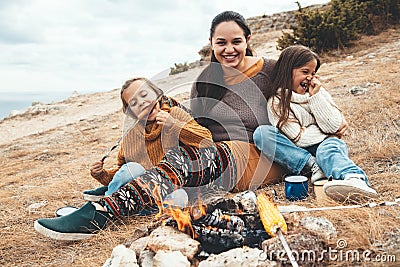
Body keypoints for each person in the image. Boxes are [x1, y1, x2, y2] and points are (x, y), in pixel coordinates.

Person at [34, 10, 288, 241]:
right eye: (221, 43)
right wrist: (162, 106)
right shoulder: (206, 79)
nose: (229, 49)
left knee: (182, 160)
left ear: (248, 40)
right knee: (173, 180)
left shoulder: (270, 70)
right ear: (211, 43)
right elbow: (197, 123)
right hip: (215, 161)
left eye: (236, 41)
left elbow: (305, 99)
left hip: (253, 156)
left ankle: (99, 212)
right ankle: (116, 197)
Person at [253, 45, 378, 202]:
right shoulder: (277, 103)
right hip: (299, 155)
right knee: (262, 134)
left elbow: (334, 125)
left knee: (328, 149)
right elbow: (299, 138)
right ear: (287, 71)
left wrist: (315, 99)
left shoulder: (318, 92)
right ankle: (316, 167)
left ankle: (355, 179)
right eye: (305, 72)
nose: (310, 78)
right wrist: (326, 131)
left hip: (326, 145)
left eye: (313, 73)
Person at [82, 77, 213, 201]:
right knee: (132, 168)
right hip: (144, 188)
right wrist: (101, 174)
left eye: (144, 95)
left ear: (157, 94)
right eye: (133, 103)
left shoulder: (174, 114)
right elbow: (123, 174)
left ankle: (116, 203)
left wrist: (174, 125)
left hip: (173, 186)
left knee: (180, 197)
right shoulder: (131, 136)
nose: (142, 103)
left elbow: (206, 140)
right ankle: (107, 202)